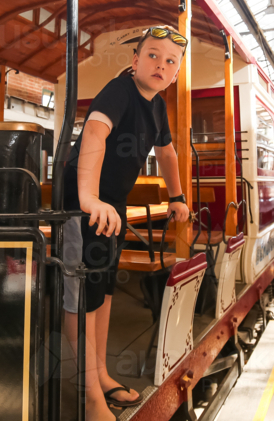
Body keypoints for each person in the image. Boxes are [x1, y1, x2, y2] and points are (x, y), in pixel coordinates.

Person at [62, 25, 191, 421]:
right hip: (81, 201)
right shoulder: (120, 91)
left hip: (110, 205)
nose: (160, 64)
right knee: (80, 296)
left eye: (170, 61)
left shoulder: (157, 107)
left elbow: (167, 155)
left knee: (102, 293)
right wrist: (88, 197)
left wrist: (177, 195)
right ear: (134, 61)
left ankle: (99, 375)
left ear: (174, 76)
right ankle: (88, 396)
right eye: (152, 55)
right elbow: (95, 135)